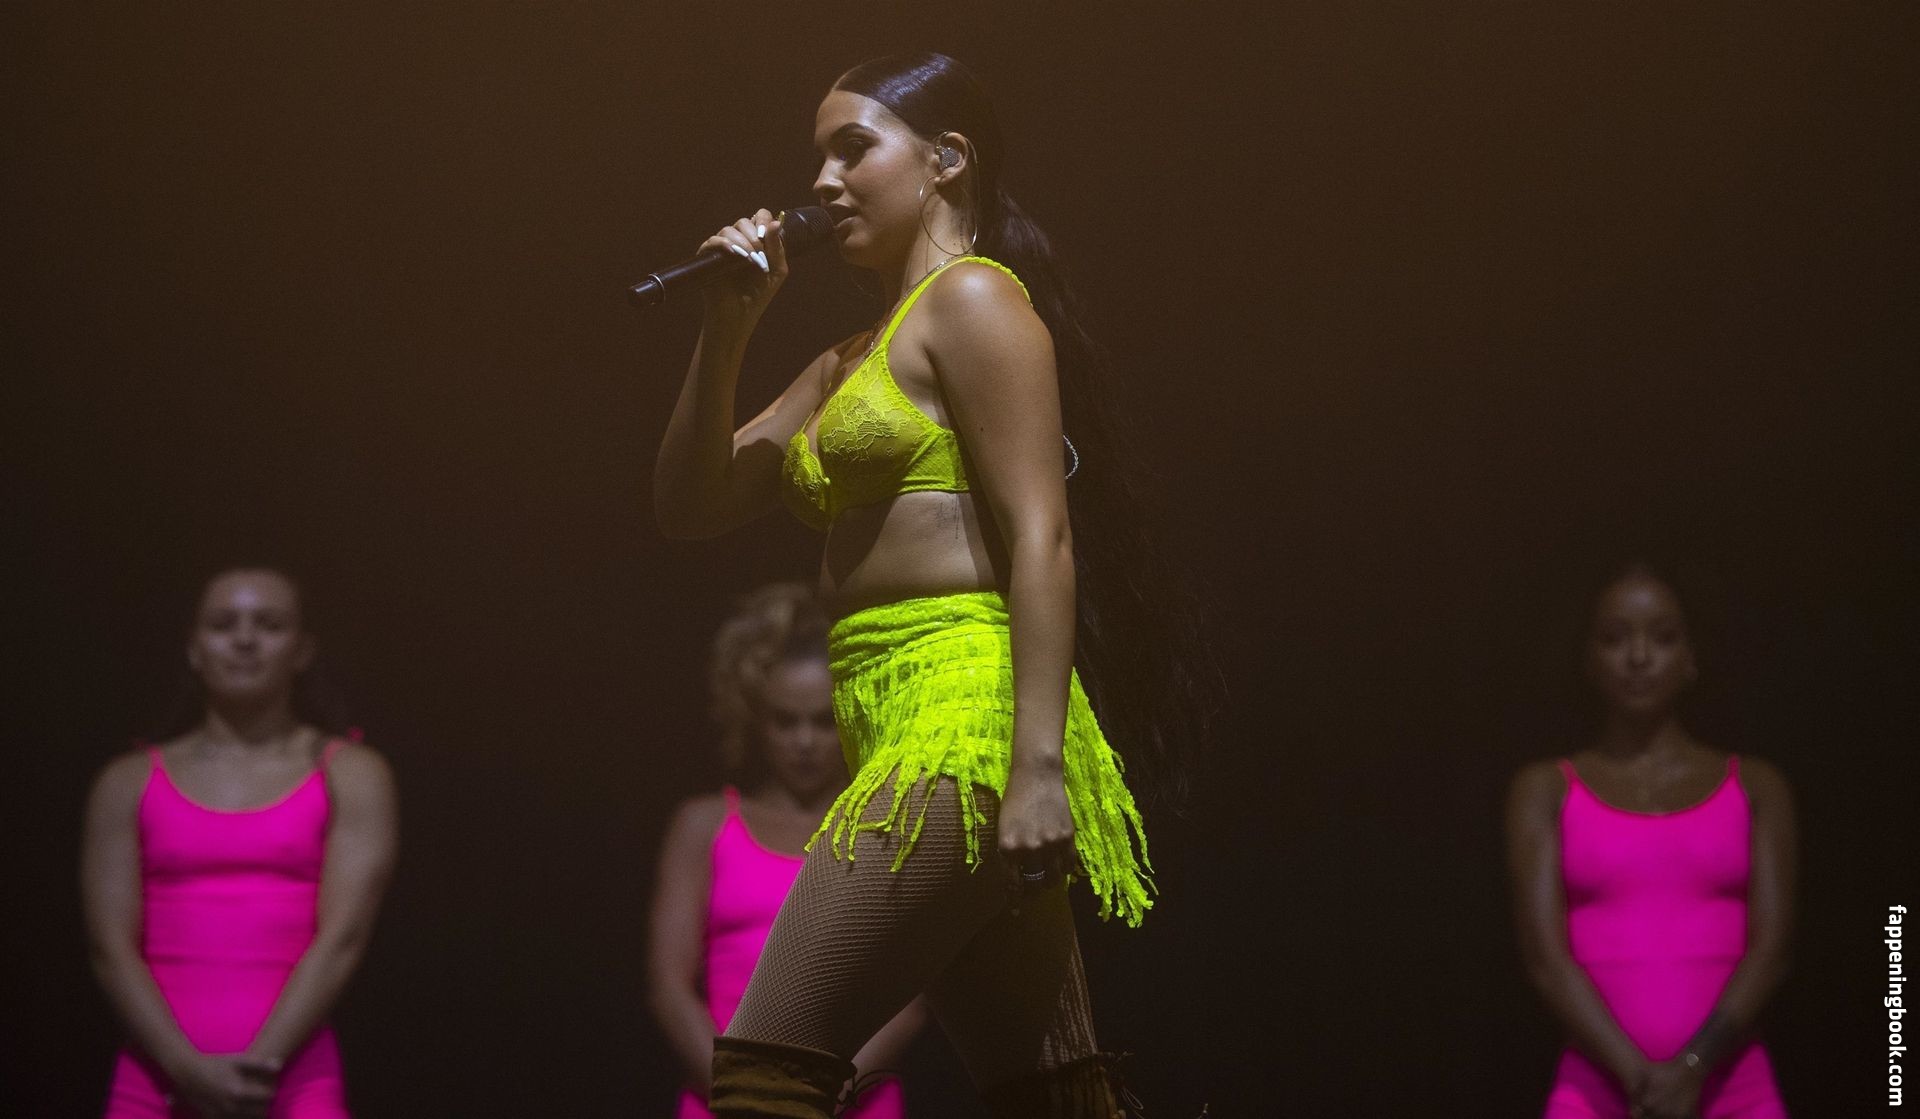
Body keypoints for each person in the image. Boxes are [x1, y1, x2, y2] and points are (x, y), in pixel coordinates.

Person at [652, 51, 1209, 1119]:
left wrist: (1036, 769)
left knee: (765, 1061)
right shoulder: (846, 360)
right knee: (1051, 1096)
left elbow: (1043, 535)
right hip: (887, 716)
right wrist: (728, 328)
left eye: (852, 148)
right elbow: (691, 505)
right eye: (818, 157)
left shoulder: (974, 301)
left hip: (965, 721)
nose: (822, 181)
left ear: (947, 159)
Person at [83, 568, 398, 1118]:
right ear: (194, 648)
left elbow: (342, 939)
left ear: (302, 651)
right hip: (156, 1083)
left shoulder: (351, 774)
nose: (245, 639)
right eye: (223, 624)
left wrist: (253, 1076)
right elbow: (110, 949)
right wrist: (187, 1072)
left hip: (291, 1085)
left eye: (270, 624)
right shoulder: (126, 781)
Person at [1506, 562, 1795, 1119]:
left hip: (1735, 1093)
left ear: (1691, 656)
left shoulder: (1757, 786)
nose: (1639, 657)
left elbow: (1773, 952)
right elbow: (1545, 960)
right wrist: (1643, 1082)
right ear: (1589, 659)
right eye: (1615, 639)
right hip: (1597, 1095)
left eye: (1662, 638)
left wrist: (1692, 1070)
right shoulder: (1545, 789)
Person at [648, 582, 921, 1118]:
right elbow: (669, 989)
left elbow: (910, 1002)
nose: (804, 742)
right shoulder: (704, 825)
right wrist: (744, 1099)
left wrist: (812, 1103)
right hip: (721, 1102)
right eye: (785, 720)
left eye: (823, 720)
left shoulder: (885, 827)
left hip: (851, 1103)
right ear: (756, 718)